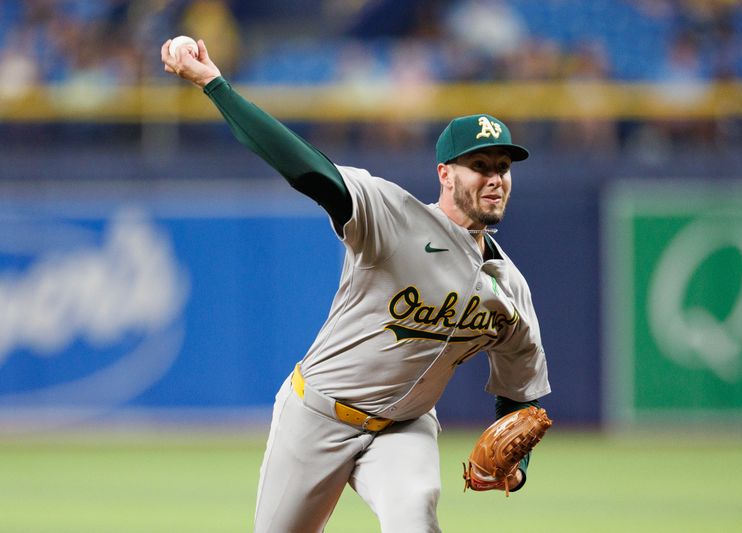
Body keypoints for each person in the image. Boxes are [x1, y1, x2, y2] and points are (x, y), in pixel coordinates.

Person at [161, 38, 551, 533]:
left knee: (416, 517)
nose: (495, 178)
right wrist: (214, 86)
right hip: (318, 415)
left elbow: (520, 395)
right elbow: (304, 167)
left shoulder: (510, 288)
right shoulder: (392, 216)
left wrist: (516, 468)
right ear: (445, 174)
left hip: (404, 429)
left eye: (502, 167)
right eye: (480, 166)